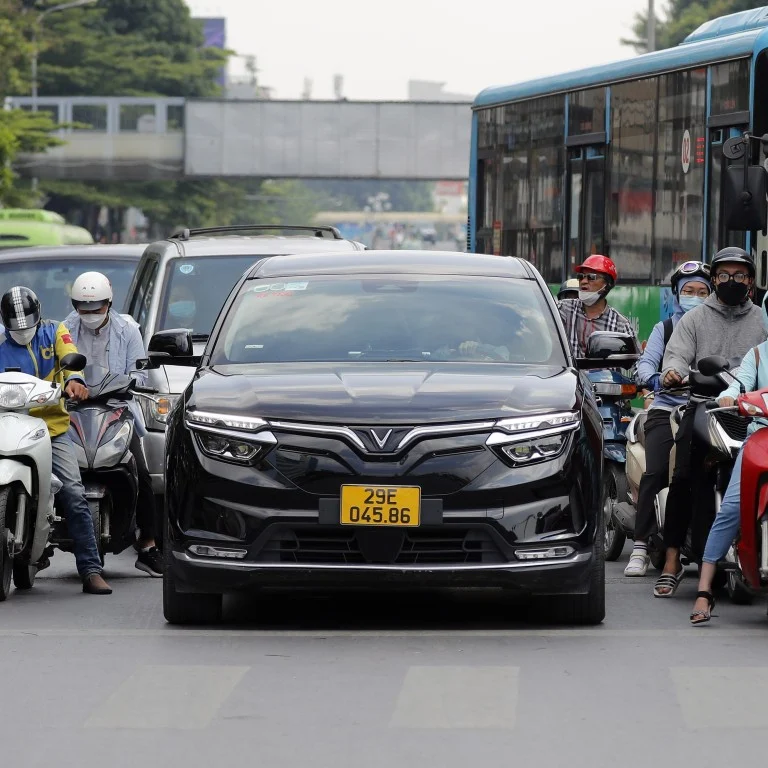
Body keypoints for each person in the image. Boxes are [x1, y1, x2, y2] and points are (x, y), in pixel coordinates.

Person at [654, 247, 767, 597]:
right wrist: (673, 372)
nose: (732, 281)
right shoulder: (695, 319)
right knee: (685, 476)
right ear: (714, 279)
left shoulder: (762, 319)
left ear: (751, 281)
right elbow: (676, 355)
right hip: (705, 409)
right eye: (724, 275)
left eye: (740, 275)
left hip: (754, 414)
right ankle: (672, 559)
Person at [0, 286, 112, 595]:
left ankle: (90, 570)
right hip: (7, 425)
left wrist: (74, 381)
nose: (22, 331)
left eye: (27, 325)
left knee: (74, 493)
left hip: (52, 428)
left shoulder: (54, 331)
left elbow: (70, 357)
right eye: (15, 328)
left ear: (38, 317)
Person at [64, 272, 163, 577]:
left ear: (109, 303)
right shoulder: (65, 329)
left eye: (97, 307)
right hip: (74, 410)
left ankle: (148, 545)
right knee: (51, 469)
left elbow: (140, 374)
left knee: (142, 473)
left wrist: (126, 384)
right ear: (75, 305)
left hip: (117, 409)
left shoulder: (128, 330)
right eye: (83, 308)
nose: (90, 314)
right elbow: (57, 367)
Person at [624, 262, 712, 576]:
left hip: (708, 410)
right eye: (689, 291)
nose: (695, 297)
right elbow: (645, 366)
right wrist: (660, 379)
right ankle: (640, 545)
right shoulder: (665, 329)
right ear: (676, 293)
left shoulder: (715, 326)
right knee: (658, 471)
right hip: (666, 409)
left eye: (702, 292)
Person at [689, 293, 768, 623]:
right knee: (733, 507)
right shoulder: (757, 355)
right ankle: (705, 590)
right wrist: (728, 397)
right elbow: (739, 385)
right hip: (761, 437)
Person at [558, 255, 637, 359]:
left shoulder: (620, 325)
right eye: (581, 277)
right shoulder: (563, 309)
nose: (584, 281)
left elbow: (635, 362)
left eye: (591, 277)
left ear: (607, 284)